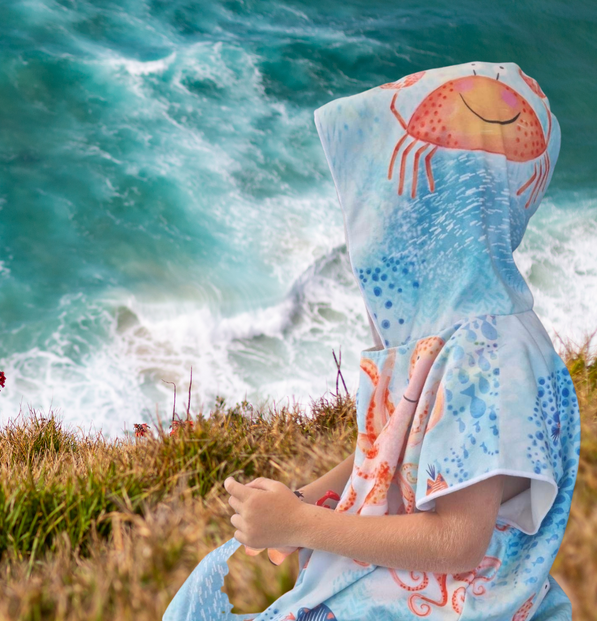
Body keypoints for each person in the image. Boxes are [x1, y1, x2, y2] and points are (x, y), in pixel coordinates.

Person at [163, 61, 581, 620]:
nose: (370, 225)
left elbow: (458, 540)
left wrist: (302, 525)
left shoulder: (489, 353)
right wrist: (307, 500)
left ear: (444, 209)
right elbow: (398, 457)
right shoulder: (456, 332)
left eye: (392, 202)